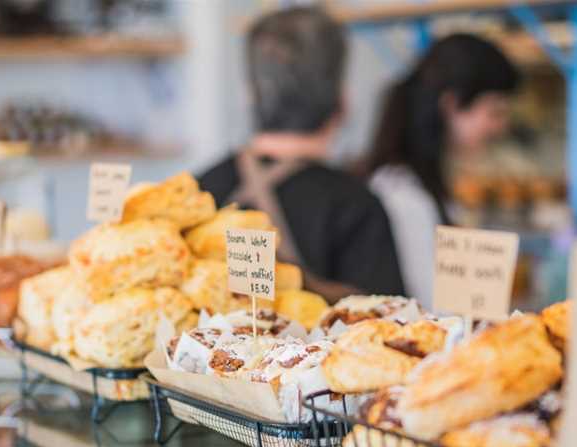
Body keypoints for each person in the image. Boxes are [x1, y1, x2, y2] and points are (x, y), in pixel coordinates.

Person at [198, 6, 405, 301]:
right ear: (342, 101)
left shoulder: (198, 193)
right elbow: (390, 327)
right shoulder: (358, 207)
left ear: (249, 95)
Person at [363, 34, 520, 309]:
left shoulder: (420, 184)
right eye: (494, 112)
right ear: (452, 104)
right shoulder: (403, 194)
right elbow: (434, 307)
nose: (500, 127)